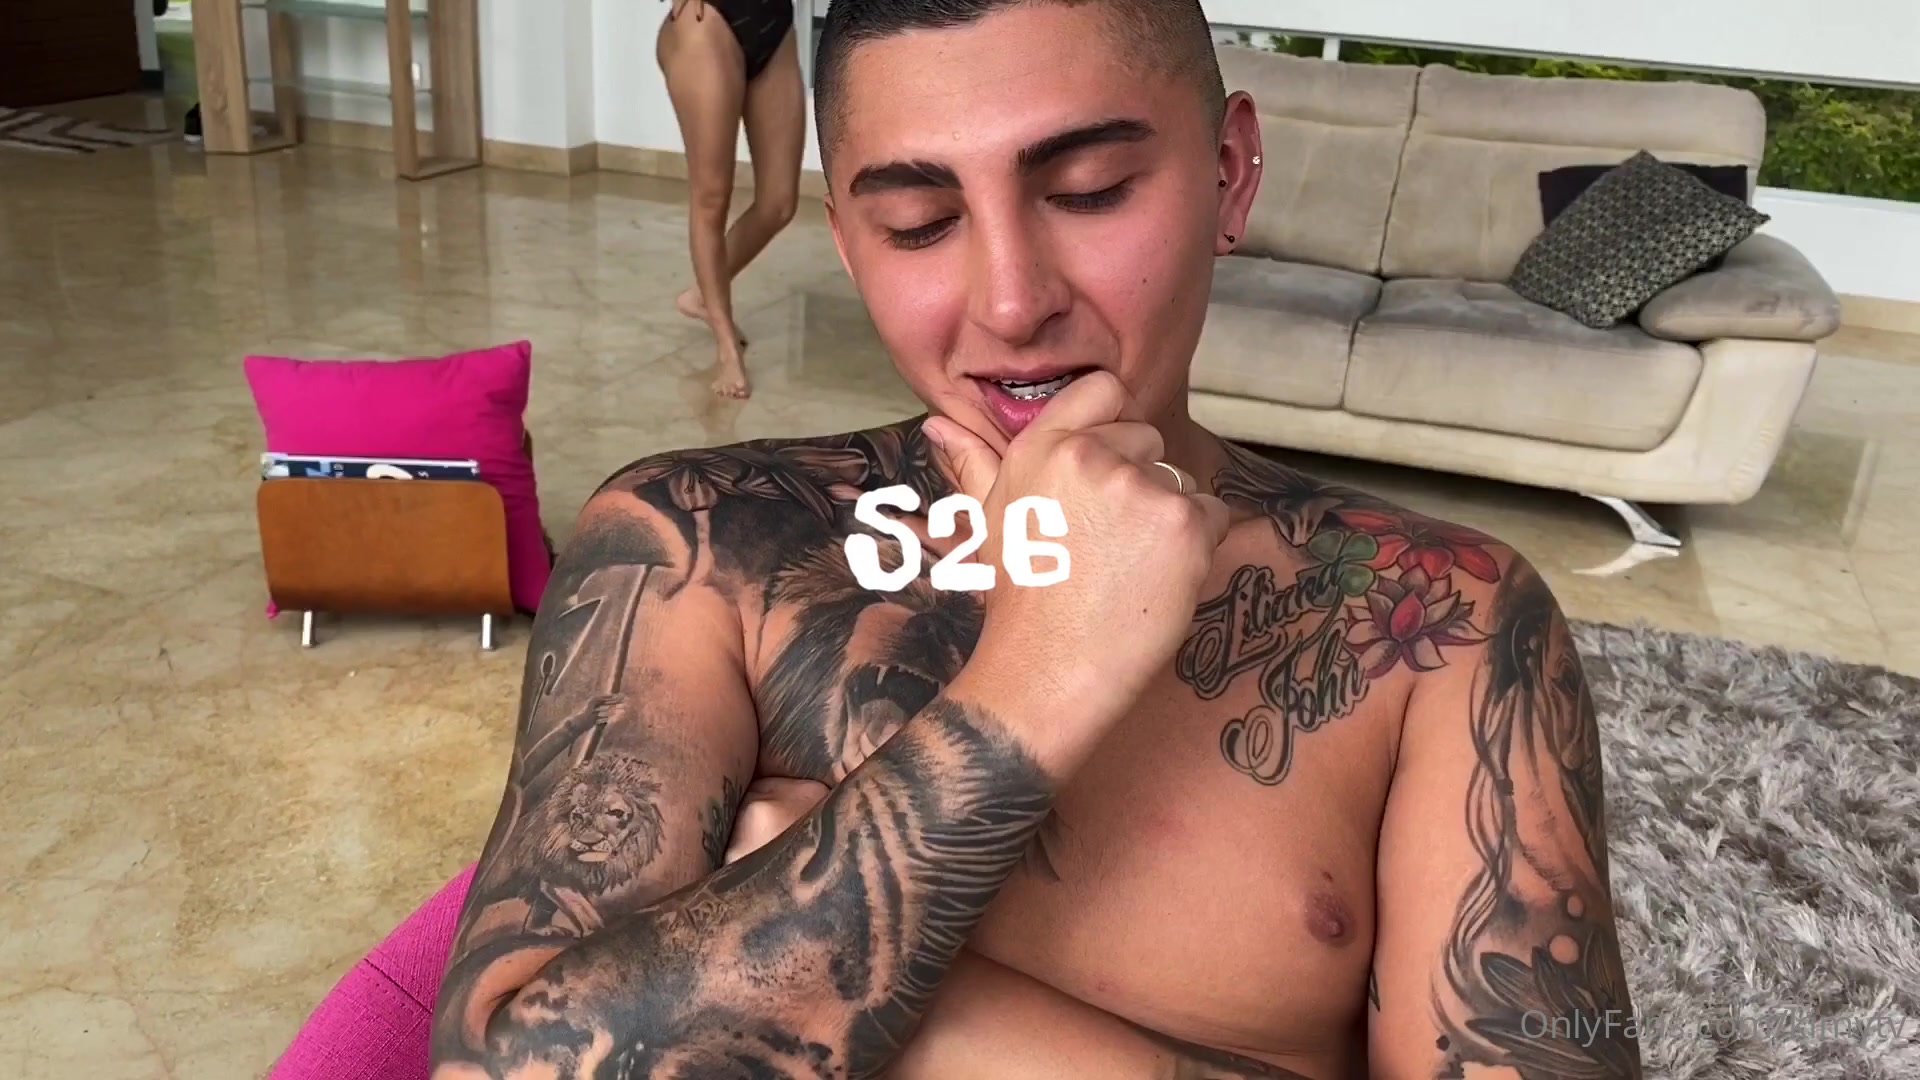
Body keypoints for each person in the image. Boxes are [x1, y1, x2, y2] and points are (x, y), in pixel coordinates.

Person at [428, 1, 1643, 1077]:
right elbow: (504, 1067)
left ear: (1229, 174)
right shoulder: (701, 545)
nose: (1012, 303)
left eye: (1090, 191)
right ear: (848, 242)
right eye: (918, 223)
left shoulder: (1443, 618)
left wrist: (840, 973)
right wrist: (1038, 678)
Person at [656, 0, 808, 400]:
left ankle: (700, 297)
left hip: (774, 22)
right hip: (707, 22)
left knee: (779, 203)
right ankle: (727, 349)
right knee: (711, 196)